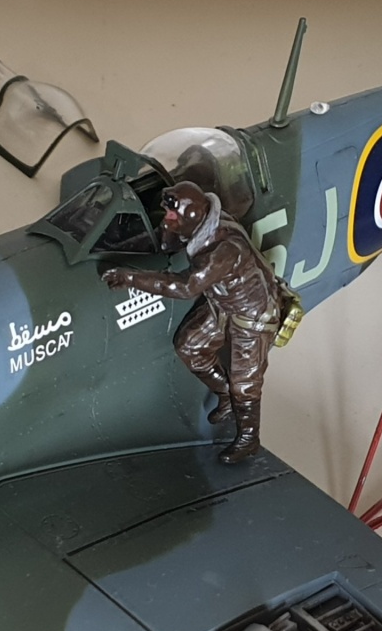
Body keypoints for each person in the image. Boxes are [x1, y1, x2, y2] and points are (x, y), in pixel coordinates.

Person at [101, 180, 280, 464]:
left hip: (251, 315)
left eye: (173, 216)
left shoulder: (224, 250)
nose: (167, 220)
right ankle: (224, 394)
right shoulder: (203, 226)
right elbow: (165, 241)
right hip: (222, 303)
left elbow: (185, 286)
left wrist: (131, 277)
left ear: (193, 218)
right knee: (189, 346)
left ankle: (249, 439)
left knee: (245, 384)